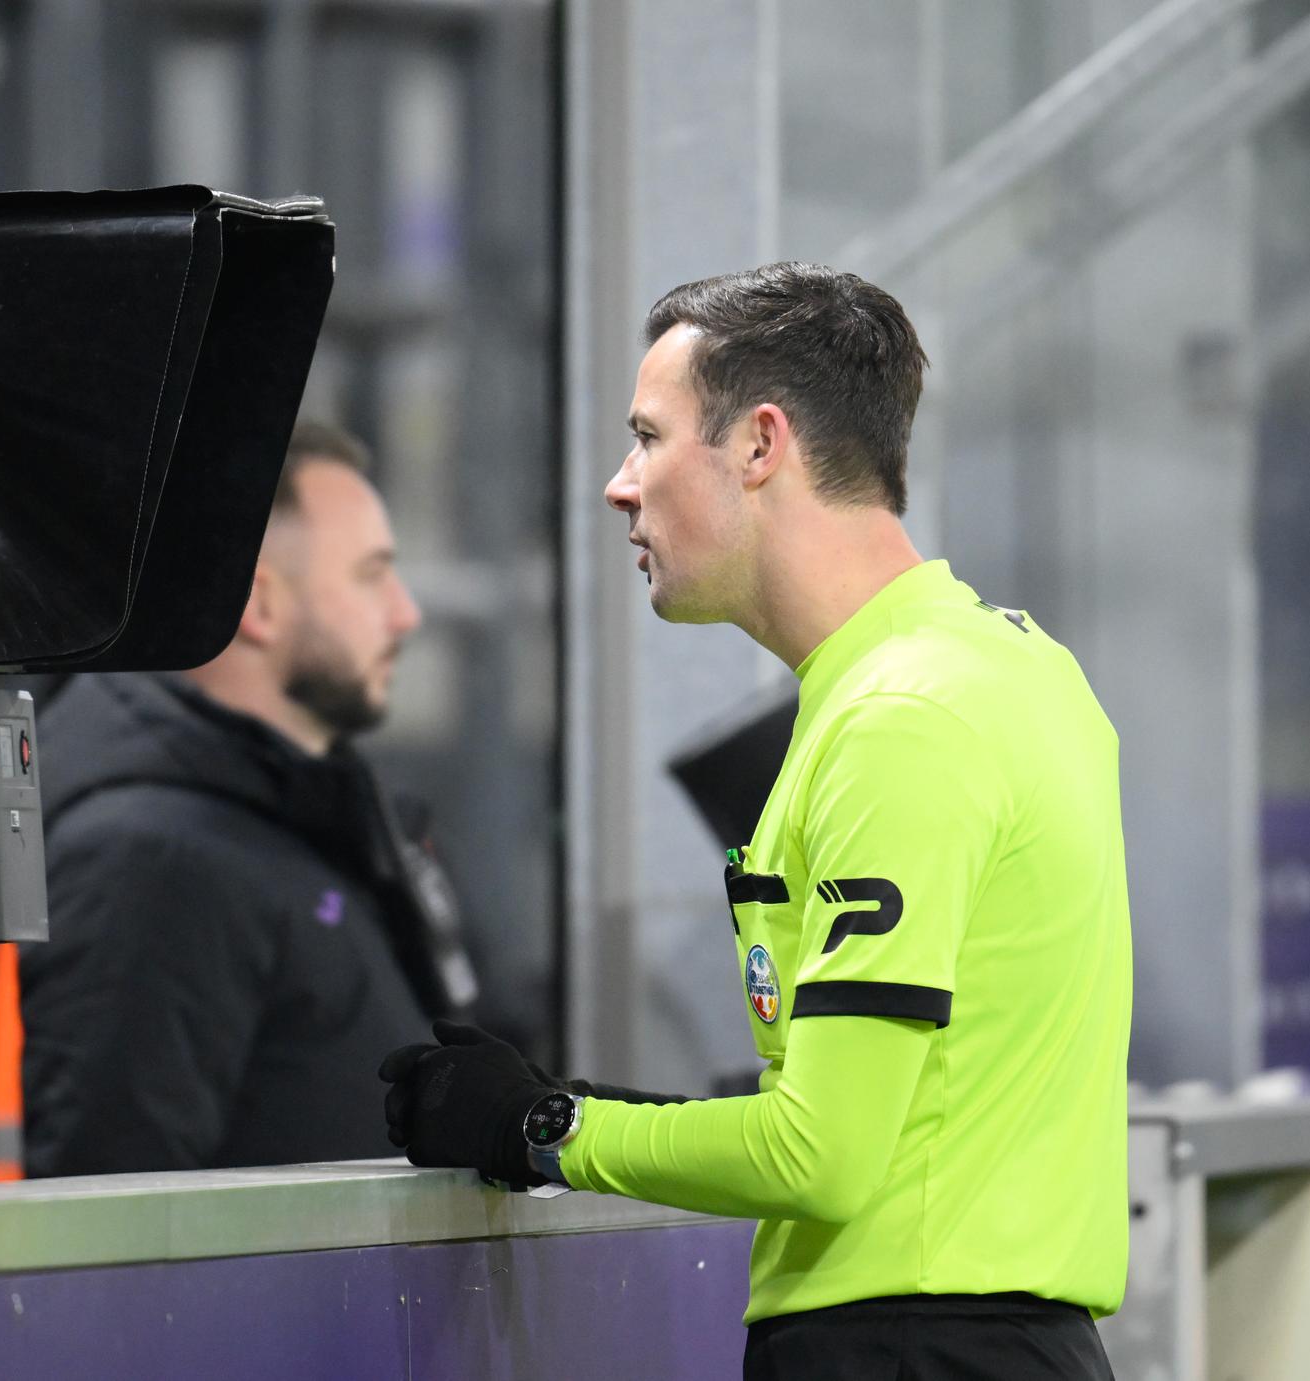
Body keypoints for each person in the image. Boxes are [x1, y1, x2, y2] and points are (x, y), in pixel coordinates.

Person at [379, 264, 1131, 1380]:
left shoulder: (901, 720)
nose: (619, 487)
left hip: (909, 1352)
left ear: (760, 444)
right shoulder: (1018, 669)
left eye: (648, 437)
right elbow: (912, 1111)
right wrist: (577, 1105)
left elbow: (820, 1151)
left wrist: (544, 1130)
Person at [24, 421, 476, 1176]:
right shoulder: (155, 859)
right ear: (257, 602)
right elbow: (107, 1213)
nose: (405, 613)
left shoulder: (299, 819)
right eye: (371, 575)